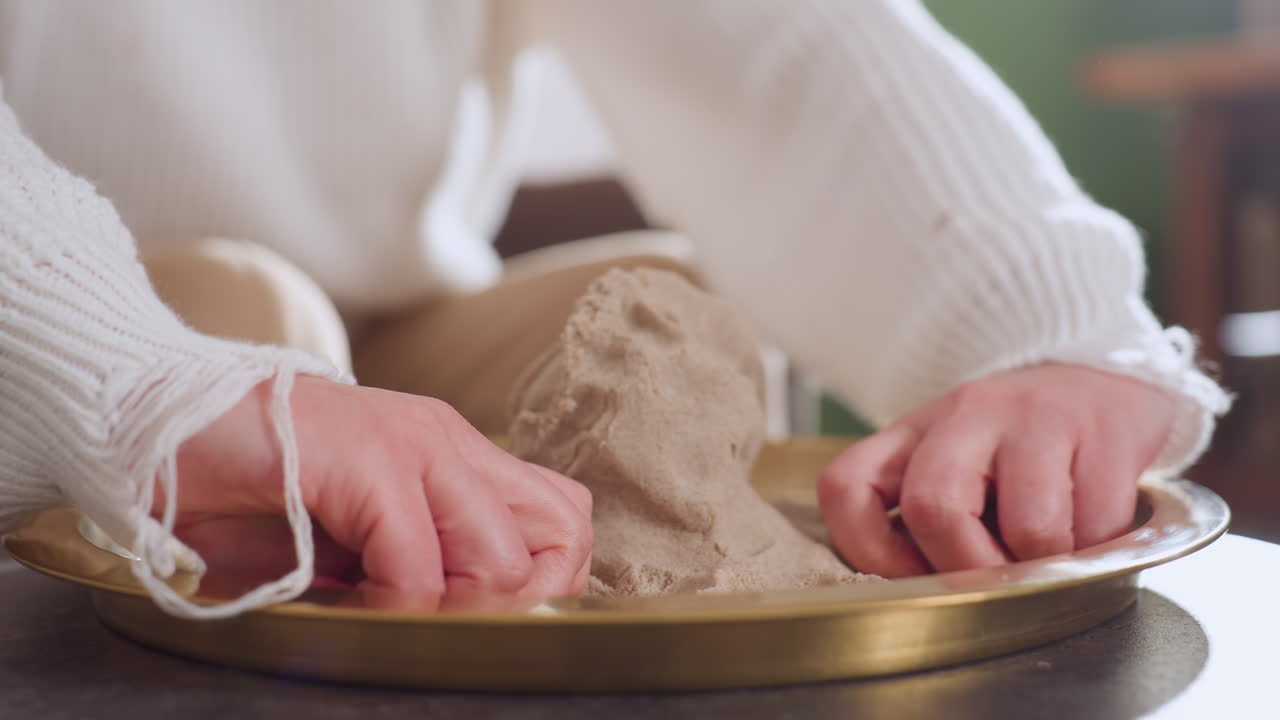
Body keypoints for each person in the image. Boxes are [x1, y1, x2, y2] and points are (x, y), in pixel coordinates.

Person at [0, 0, 1230, 619]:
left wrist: (1044, 329)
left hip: (393, 317)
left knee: (663, 317)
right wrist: (131, 376)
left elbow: (782, 43)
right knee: (241, 303)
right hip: (83, 349)